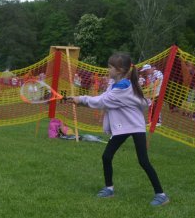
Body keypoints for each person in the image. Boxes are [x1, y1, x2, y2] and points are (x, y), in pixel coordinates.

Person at [68, 52, 169, 207]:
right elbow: (104, 97)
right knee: (106, 156)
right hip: (122, 127)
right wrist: (78, 101)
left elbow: (103, 101)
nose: (108, 70)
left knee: (143, 161)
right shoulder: (114, 83)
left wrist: (80, 99)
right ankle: (109, 189)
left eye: (110, 67)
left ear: (120, 70)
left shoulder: (122, 88)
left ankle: (161, 195)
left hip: (135, 126)